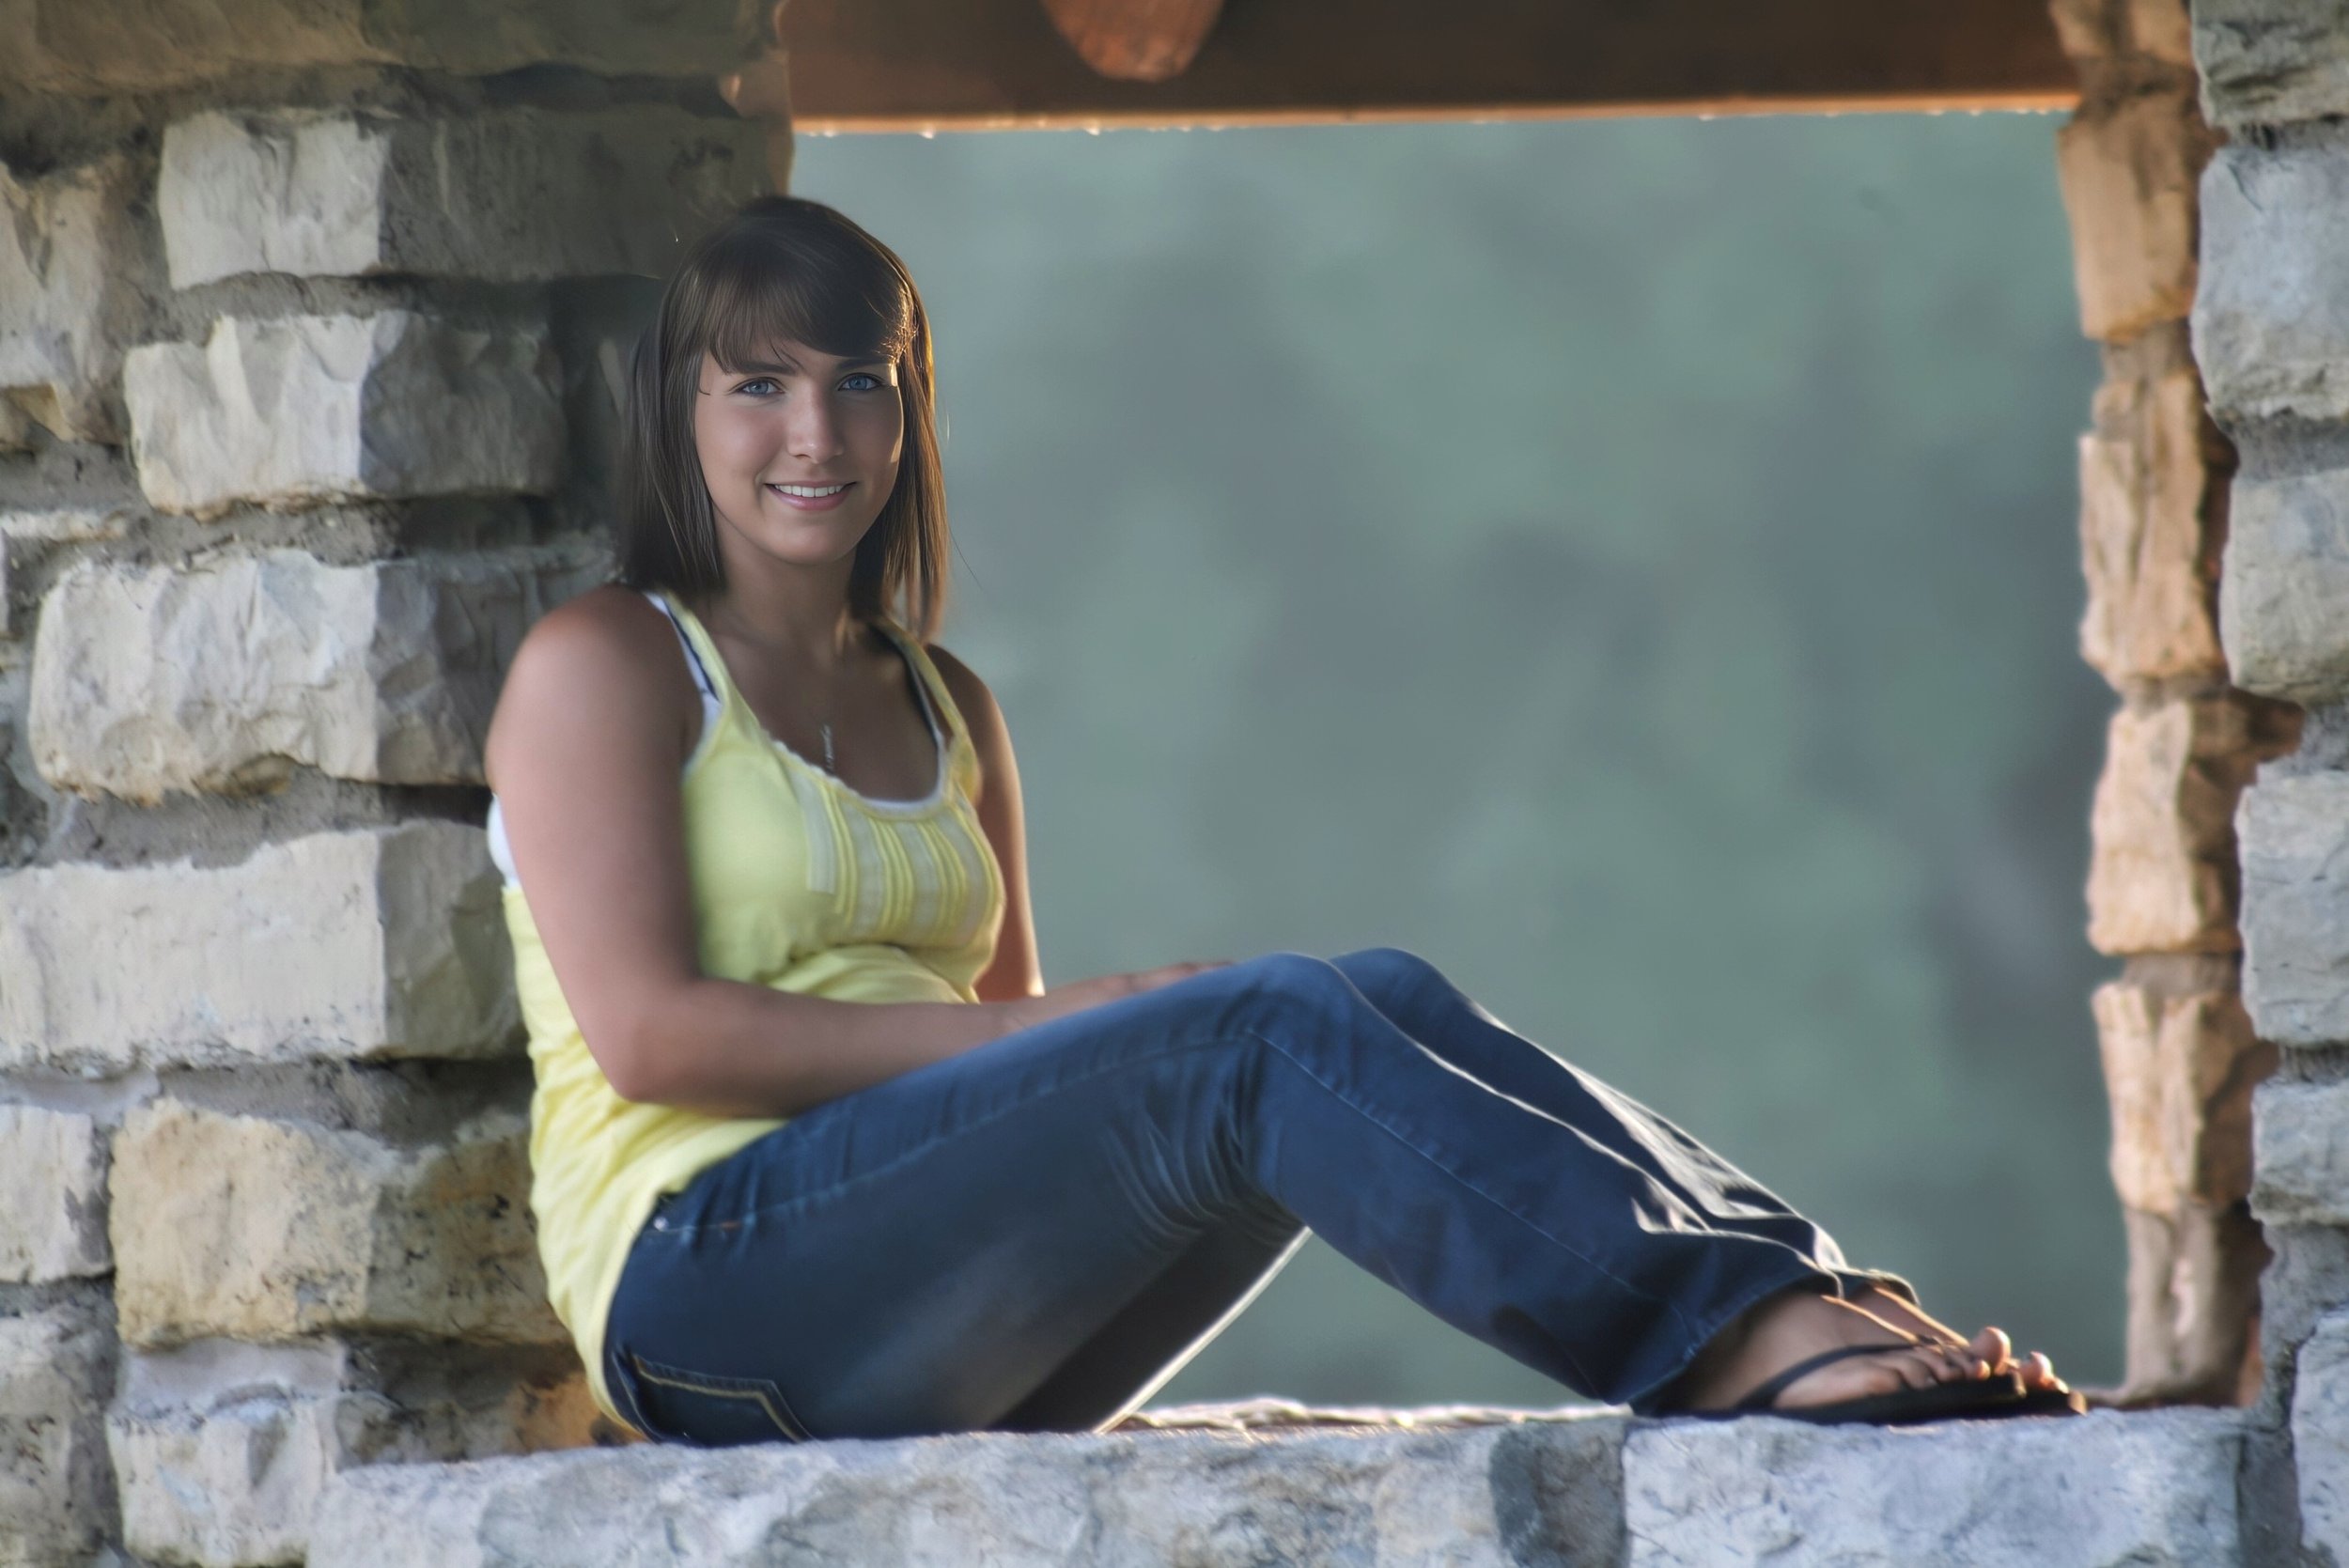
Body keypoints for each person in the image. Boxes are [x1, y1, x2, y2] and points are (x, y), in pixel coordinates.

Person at [482, 194, 2081, 1447]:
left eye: (859, 384)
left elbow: (1011, 1083)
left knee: (1363, 997)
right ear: (682, 410)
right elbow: (653, 1037)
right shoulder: (606, 663)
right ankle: (1730, 1342)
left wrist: (1075, 1030)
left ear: (908, 414)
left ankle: (1806, 1288)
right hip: (705, 1298)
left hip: (932, 1314)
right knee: (1256, 1037)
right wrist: (1094, 1019)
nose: (816, 435)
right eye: (759, 387)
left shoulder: (945, 699)